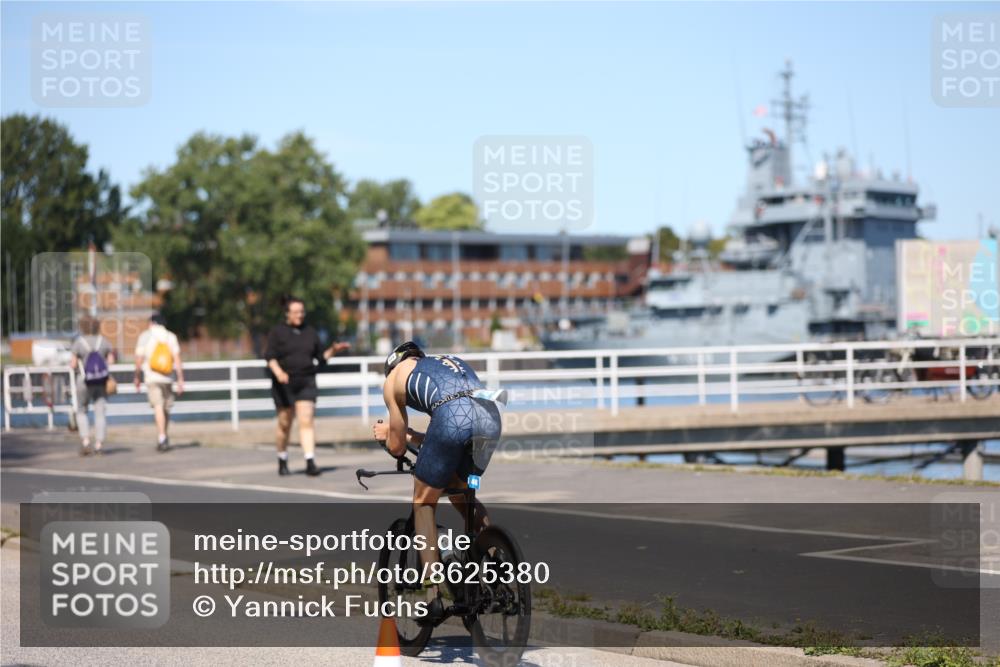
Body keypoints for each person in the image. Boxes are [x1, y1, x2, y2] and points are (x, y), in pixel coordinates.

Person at [372, 341, 505, 625]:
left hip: (451, 420)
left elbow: (397, 447)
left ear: (393, 364)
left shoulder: (394, 378)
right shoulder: (447, 362)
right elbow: (443, 432)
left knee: (423, 502)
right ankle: (497, 562)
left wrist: (388, 434)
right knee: (462, 495)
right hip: (489, 416)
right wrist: (411, 436)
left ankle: (433, 596)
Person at [265, 296, 350, 477]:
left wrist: (333, 350)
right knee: (284, 423)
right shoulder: (277, 332)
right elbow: (270, 357)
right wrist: (279, 372)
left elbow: (321, 358)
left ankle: (310, 461)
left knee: (306, 420)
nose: (300, 315)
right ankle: (282, 458)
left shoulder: (310, 332)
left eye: (302, 312)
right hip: (284, 383)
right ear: (287, 313)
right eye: (296, 312)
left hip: (306, 381)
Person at [134, 312, 184, 452]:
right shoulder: (171, 336)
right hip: (168, 377)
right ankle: (164, 435)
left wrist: (137, 377)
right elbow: (177, 360)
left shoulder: (145, 336)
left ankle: (161, 436)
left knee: (158, 406)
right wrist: (180, 379)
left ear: (152, 323)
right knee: (166, 408)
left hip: (152, 378)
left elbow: (138, 360)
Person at [69, 318, 116, 456]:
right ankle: (99, 444)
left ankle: (85, 442)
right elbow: (111, 360)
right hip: (101, 381)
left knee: (81, 410)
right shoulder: (104, 341)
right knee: (100, 412)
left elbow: (72, 364)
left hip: (83, 381)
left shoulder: (79, 342)